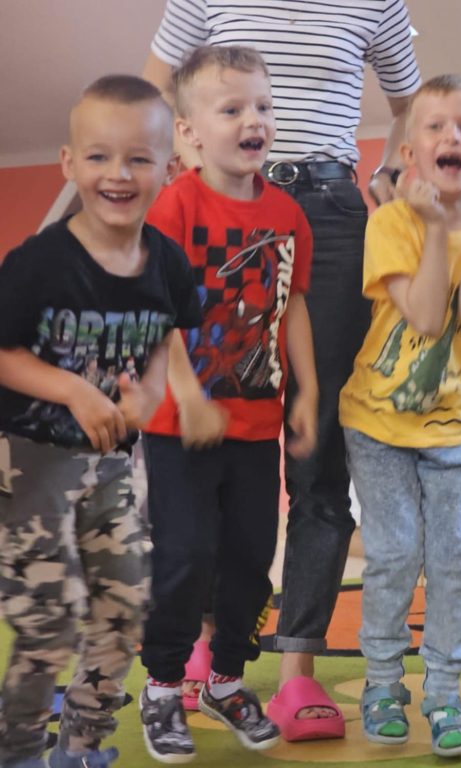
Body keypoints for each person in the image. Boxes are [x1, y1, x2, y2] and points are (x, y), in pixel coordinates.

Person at [141, 1, 422, 738]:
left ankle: (297, 667)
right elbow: (154, 86)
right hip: (214, 198)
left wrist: (390, 171)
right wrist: (171, 162)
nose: (253, 116)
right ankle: (205, 645)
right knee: (208, 446)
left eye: (258, 106)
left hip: (328, 212)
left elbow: (410, 102)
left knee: (317, 451)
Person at [0, 75, 201, 768]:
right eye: (98, 157)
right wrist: (75, 393)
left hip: (112, 465)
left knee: (122, 607)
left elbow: (165, 338)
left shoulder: (167, 263)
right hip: (30, 461)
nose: (118, 174)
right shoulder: (37, 263)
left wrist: (148, 397)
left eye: (138, 158)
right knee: (48, 621)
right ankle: (18, 752)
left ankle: (83, 746)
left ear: (167, 169)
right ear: (68, 163)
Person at [138, 45, 318, 762]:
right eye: (233, 108)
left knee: (250, 556)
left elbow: (292, 305)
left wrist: (306, 391)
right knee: (185, 555)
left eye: (263, 107)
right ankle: (162, 686)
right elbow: (156, 309)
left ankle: (227, 680)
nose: (254, 121)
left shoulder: (287, 213)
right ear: (188, 132)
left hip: (255, 422)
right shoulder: (175, 205)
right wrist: (186, 394)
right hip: (178, 425)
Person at [339, 73, 461, 758]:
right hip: (379, 424)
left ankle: (444, 690)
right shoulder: (390, 222)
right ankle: (383, 684)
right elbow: (423, 315)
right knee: (393, 555)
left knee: (456, 560)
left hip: (459, 427)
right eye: (437, 126)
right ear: (411, 152)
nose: (453, 137)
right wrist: (440, 228)